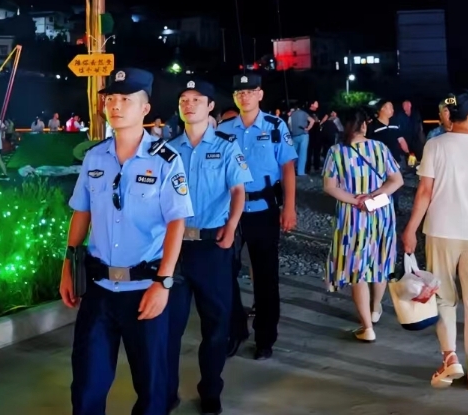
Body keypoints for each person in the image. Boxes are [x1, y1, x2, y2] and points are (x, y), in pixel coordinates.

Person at [59, 68, 194, 415]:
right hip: (99, 291)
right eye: (111, 99)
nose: (115, 106)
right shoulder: (95, 157)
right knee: (86, 386)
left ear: (145, 109)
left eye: (125, 99)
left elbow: (177, 223)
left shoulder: (166, 160)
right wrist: (68, 266)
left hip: (145, 290)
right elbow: (81, 213)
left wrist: (163, 282)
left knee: (151, 389)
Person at [166, 79, 252, 415]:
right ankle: (166, 391)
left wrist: (231, 226)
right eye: (184, 100)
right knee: (168, 327)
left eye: (196, 99)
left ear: (210, 106)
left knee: (216, 326)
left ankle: (211, 390)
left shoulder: (227, 146)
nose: (189, 105)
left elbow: (238, 191)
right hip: (174, 250)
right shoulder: (168, 149)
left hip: (212, 246)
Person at [402, 91, 468, 391]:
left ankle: (450, 357)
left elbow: (424, 192)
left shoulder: (435, 145)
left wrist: (410, 229)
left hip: (440, 229)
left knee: (442, 297)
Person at [218, 73, 298, 360]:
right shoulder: (224, 129)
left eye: (250, 91)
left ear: (260, 94)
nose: (245, 96)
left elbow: (287, 168)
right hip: (231, 213)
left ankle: (265, 337)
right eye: (240, 92)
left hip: (264, 209)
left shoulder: (275, 126)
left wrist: (289, 207)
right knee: (225, 274)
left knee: (265, 277)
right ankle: (235, 330)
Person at [323, 108, 404, 341]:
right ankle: (376, 308)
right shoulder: (380, 148)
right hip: (380, 212)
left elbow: (329, 186)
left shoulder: (336, 152)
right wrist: (374, 197)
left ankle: (367, 327)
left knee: (357, 268)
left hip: (352, 216)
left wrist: (356, 200)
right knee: (379, 260)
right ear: (364, 126)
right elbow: (397, 180)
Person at [288, 104, 314, 176]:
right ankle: (301, 172)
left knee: (292, 154)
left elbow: (289, 124)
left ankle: (290, 170)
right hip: (303, 135)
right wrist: (308, 128)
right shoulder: (304, 113)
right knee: (303, 154)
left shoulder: (291, 114)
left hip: (294, 136)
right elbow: (312, 121)